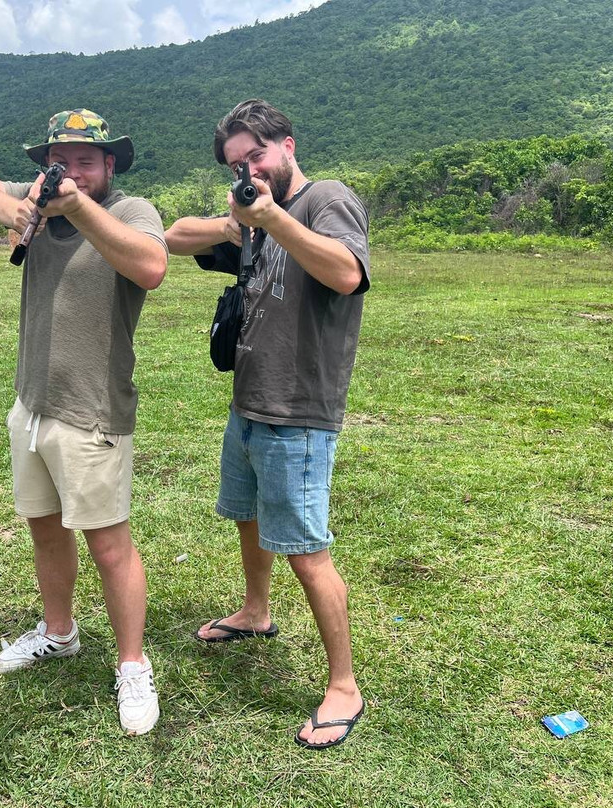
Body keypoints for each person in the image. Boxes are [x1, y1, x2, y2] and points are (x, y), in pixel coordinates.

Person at [0, 109, 168, 736]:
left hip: (92, 410)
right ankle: (59, 633)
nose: (71, 171)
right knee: (44, 530)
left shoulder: (129, 210)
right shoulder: (37, 198)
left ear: (110, 164)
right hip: (31, 404)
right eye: (58, 160)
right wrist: (12, 211)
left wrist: (73, 207)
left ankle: (131, 665)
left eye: (87, 160)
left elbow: (151, 266)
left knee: (111, 546)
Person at [164, 99, 370, 750]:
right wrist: (235, 226)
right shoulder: (252, 218)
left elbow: (345, 273)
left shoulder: (325, 199)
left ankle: (344, 686)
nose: (248, 168)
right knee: (247, 517)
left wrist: (272, 217)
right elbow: (171, 237)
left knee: (307, 552)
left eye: (256, 155)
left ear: (287, 144)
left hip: (301, 411)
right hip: (250, 403)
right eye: (236, 163)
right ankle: (256, 612)